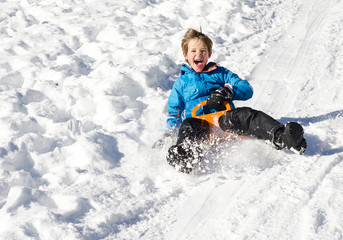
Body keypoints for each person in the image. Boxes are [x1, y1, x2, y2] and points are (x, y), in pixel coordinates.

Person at [160, 28, 307, 173]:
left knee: (247, 115)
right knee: (188, 125)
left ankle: (284, 138)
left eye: (203, 51)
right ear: (185, 55)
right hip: (201, 126)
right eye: (193, 51)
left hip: (225, 120)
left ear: (209, 54)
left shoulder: (221, 73)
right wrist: (168, 135)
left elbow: (246, 89)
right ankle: (185, 157)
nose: (199, 54)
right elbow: (174, 112)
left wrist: (228, 92)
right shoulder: (181, 83)